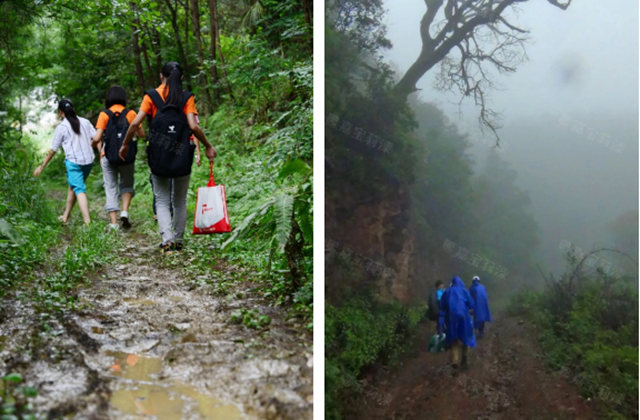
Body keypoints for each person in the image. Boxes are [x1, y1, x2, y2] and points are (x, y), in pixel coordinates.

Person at [119, 62, 216, 253]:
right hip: (182, 154)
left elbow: (134, 124)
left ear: (161, 76)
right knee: (179, 200)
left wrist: (125, 144)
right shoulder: (186, 96)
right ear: (180, 78)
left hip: (159, 154)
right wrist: (208, 146)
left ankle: (167, 240)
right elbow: (193, 126)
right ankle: (179, 240)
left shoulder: (151, 96)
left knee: (162, 200)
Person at [33, 99, 96, 225]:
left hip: (74, 162)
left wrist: (41, 166)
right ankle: (65, 217)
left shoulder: (62, 127)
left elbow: (52, 150)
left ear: (61, 112)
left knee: (79, 189)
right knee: (72, 188)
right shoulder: (85, 122)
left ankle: (88, 223)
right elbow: (96, 138)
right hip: (89, 161)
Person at [91, 86, 145, 230]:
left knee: (110, 187)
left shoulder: (104, 114)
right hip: (127, 156)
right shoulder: (131, 113)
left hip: (108, 155)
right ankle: (125, 212)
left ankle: (114, 223)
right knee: (127, 183)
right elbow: (141, 134)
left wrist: (91, 145)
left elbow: (97, 138)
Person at [438, 276, 476, 368]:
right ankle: (464, 358)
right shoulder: (464, 291)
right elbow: (471, 305)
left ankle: (455, 360)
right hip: (464, 317)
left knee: (454, 339)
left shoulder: (447, 292)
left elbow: (442, 308)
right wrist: (471, 311)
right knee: (466, 338)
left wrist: (441, 320)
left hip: (451, 318)